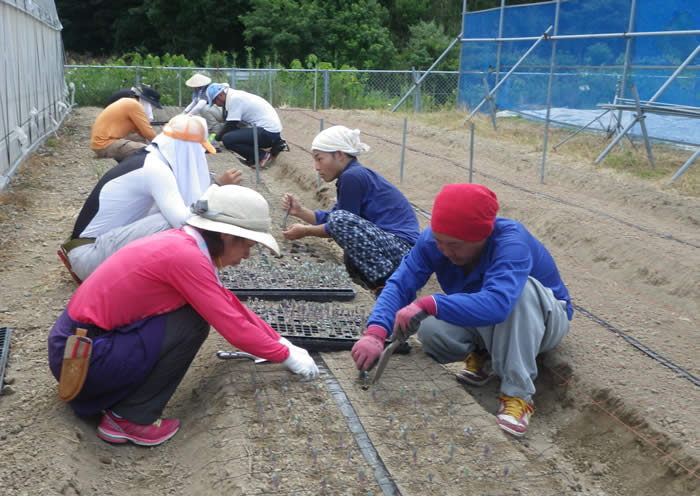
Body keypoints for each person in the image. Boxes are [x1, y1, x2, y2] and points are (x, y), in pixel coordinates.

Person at [48, 184, 319, 446]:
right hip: (81, 359)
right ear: (226, 236)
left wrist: (280, 341)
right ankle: (128, 419)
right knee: (193, 320)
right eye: (247, 245)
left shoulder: (184, 245)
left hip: (80, 347)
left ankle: (121, 402)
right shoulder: (185, 256)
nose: (247, 255)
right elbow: (233, 328)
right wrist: (285, 356)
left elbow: (229, 302)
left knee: (194, 312)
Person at [351, 183, 572, 438]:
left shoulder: (511, 243)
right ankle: (483, 355)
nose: (445, 251)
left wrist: (429, 303)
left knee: (519, 293)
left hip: (540, 320)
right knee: (429, 325)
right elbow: (400, 283)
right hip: (488, 317)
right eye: (440, 242)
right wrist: (375, 332)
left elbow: (499, 305)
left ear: (482, 236)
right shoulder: (433, 242)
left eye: (455, 245)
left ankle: (518, 394)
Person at [61, 114, 242, 282]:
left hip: (92, 251)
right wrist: (217, 188)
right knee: (173, 224)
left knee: (167, 212)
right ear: (187, 149)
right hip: (89, 259)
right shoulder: (154, 168)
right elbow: (183, 220)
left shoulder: (152, 160)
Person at [282, 125, 420, 296]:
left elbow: (338, 225)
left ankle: (388, 286)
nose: (317, 167)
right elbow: (336, 218)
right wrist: (301, 211)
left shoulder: (352, 177)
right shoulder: (353, 175)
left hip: (402, 249)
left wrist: (306, 231)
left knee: (341, 224)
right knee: (349, 256)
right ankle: (381, 286)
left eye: (319, 159)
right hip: (393, 247)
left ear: (339, 154)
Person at [206, 82, 283, 168]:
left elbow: (231, 125)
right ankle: (253, 158)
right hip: (268, 131)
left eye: (214, 101)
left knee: (228, 139)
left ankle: (262, 156)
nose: (216, 104)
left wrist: (215, 139)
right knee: (231, 135)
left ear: (220, 95)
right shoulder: (233, 96)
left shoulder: (234, 99)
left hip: (268, 132)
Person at [90, 84, 162, 162]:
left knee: (139, 138)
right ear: (146, 102)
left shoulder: (130, 102)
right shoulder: (134, 106)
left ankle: (134, 161)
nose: (152, 109)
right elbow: (148, 133)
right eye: (152, 106)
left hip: (101, 142)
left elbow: (141, 132)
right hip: (104, 145)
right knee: (147, 151)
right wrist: (162, 146)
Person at [183, 73, 226, 138]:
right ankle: (215, 128)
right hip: (216, 110)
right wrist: (184, 113)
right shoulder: (197, 91)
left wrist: (188, 116)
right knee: (203, 110)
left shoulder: (207, 90)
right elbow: (194, 102)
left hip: (221, 111)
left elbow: (199, 106)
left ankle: (217, 130)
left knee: (203, 109)